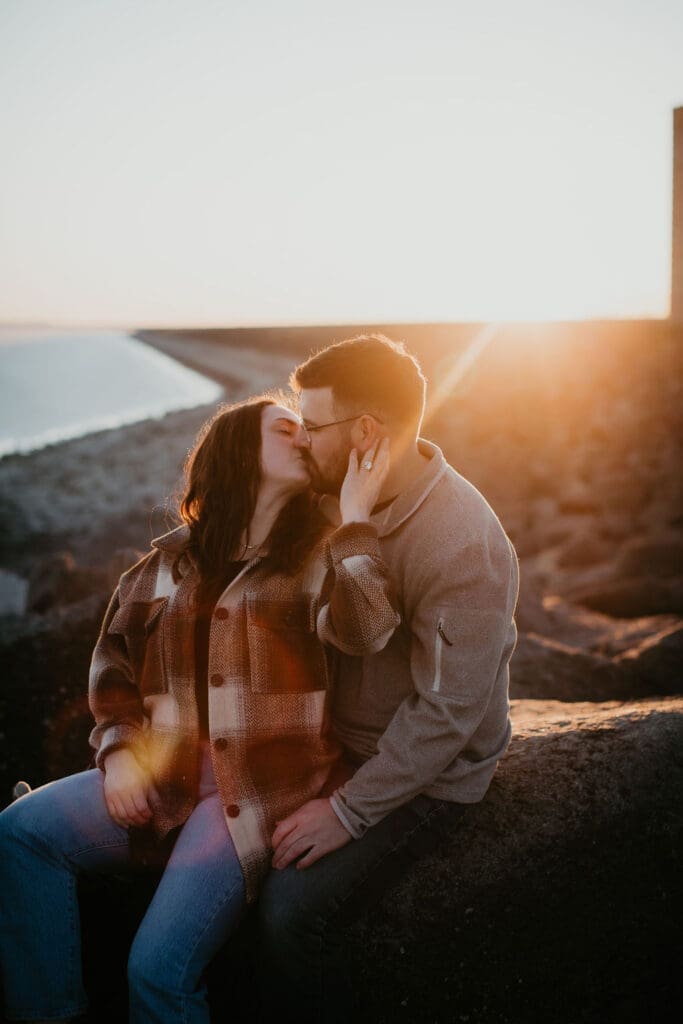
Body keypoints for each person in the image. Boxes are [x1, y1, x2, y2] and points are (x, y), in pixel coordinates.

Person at [0, 395, 400, 1024]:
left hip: (256, 798)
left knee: (156, 971)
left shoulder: (318, 555)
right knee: (20, 831)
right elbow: (112, 666)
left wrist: (355, 519)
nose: (303, 438)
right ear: (239, 448)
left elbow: (369, 629)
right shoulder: (165, 565)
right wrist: (121, 752)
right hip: (164, 780)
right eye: (285, 428)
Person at [258, 335, 519, 1022]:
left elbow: (448, 709)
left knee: (287, 916)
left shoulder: (461, 540)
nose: (302, 441)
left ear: (366, 432)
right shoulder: (331, 496)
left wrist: (347, 811)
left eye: (312, 427)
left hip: (425, 775)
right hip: (338, 742)